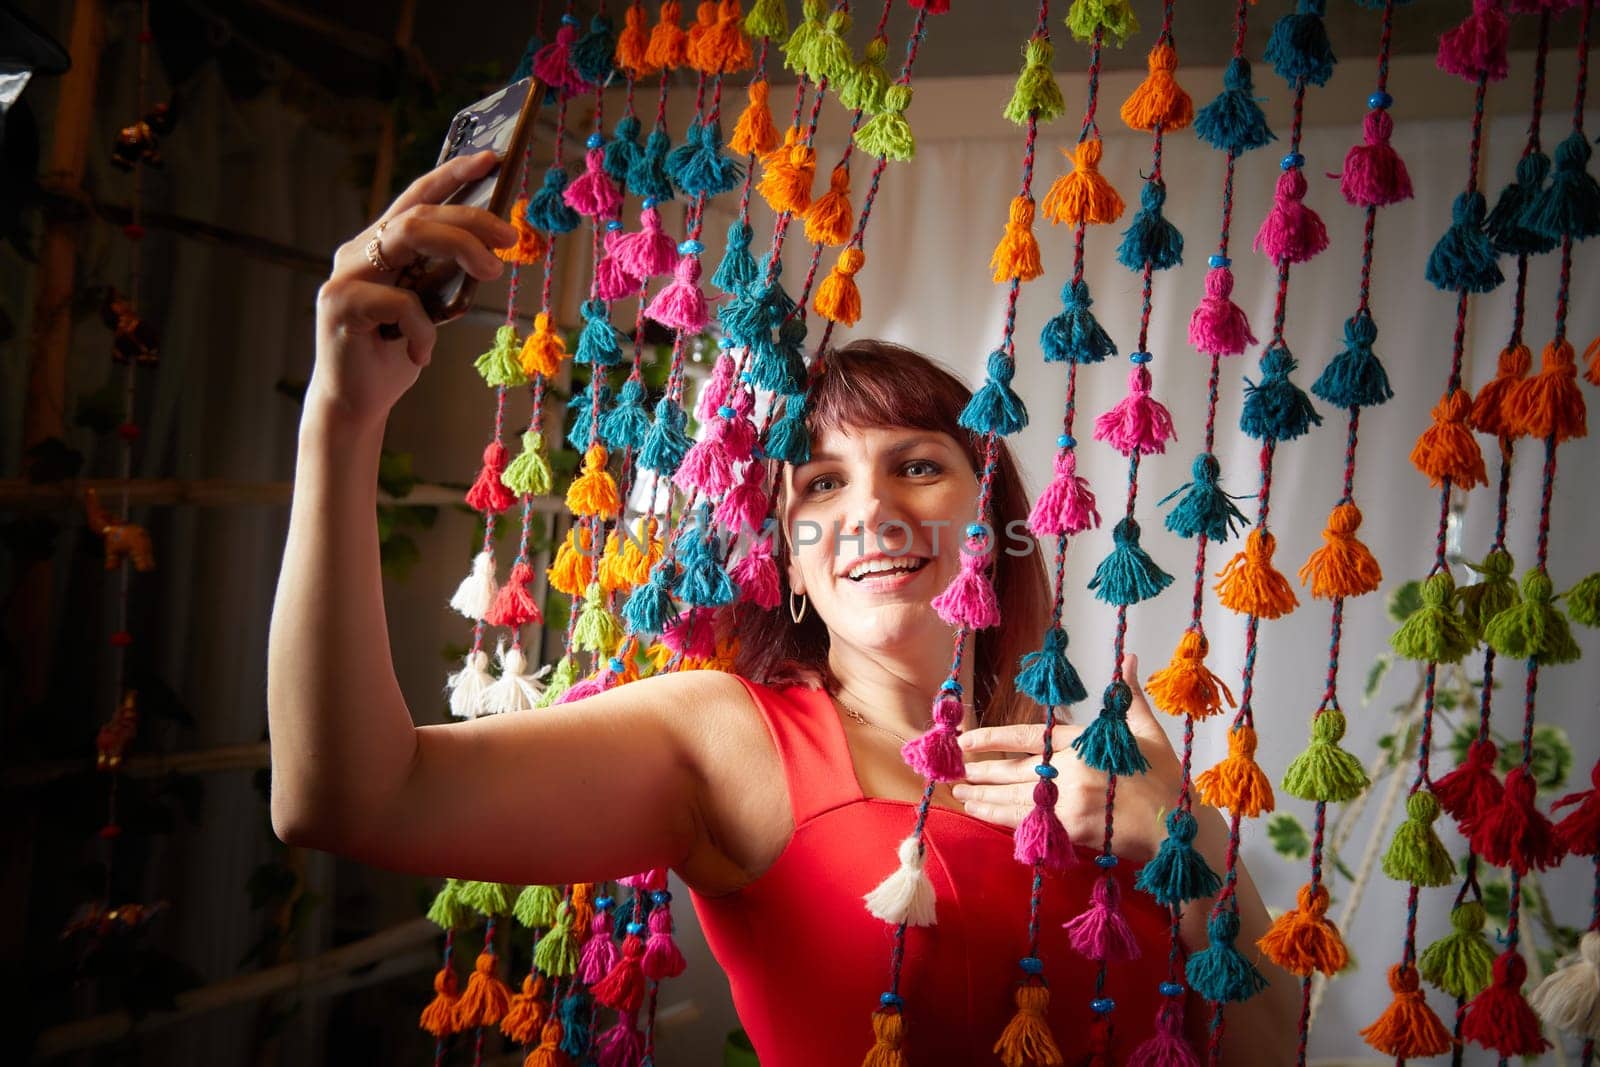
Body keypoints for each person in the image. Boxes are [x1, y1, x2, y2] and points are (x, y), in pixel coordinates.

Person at [268, 150, 1298, 1064]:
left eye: (917, 464)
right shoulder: (724, 736)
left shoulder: (1106, 755)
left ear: (994, 516)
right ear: (788, 562)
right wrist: (342, 419)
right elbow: (347, 796)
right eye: (818, 483)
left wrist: (1185, 837)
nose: (872, 509)